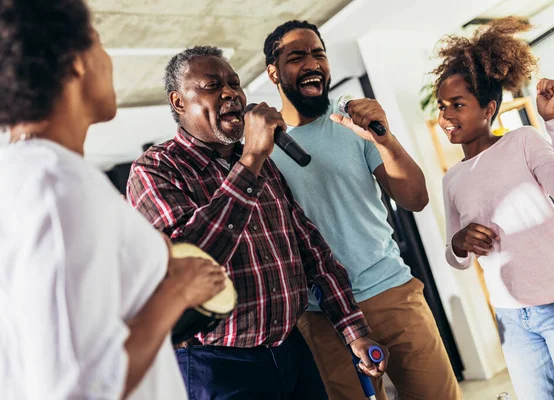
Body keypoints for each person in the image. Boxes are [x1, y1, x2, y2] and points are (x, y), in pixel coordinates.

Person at [126, 45, 388, 400]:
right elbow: (192, 258)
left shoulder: (264, 166)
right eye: (212, 85)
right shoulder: (155, 169)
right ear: (178, 102)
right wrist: (250, 159)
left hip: (290, 349)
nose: (231, 92)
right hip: (216, 365)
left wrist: (354, 332)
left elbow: (311, 249)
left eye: (234, 83)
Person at [0, 1, 228, 399]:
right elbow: (76, 388)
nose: (108, 62)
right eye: (99, 45)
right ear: (75, 62)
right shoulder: (55, 187)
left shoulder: (28, 177)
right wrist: (176, 291)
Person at [263, 20, 461, 400]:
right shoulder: (262, 149)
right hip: (322, 314)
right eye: (297, 56)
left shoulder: (353, 127)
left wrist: (383, 136)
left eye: (319, 53)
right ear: (273, 72)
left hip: (391, 294)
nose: (312, 63)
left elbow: (416, 199)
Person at [434, 17, 554, 399]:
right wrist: (459, 243)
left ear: (488, 108)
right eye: (443, 107)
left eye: (457, 105)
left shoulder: (523, 141)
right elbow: (455, 257)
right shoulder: (451, 179)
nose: (446, 116)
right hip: (511, 318)